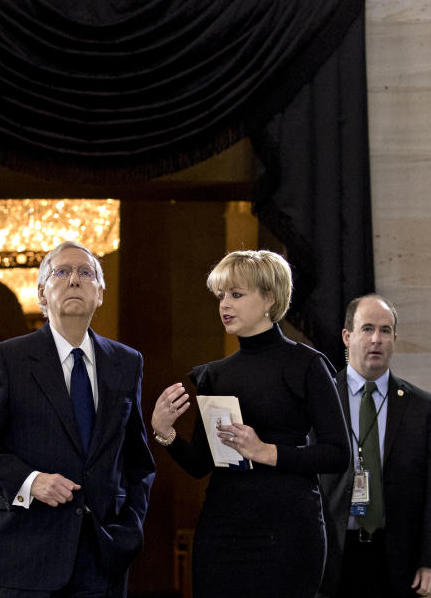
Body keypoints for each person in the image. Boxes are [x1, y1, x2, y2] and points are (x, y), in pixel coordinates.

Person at [0, 241, 155, 598]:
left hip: (103, 559)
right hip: (26, 558)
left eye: (85, 273)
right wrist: (30, 481)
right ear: (42, 295)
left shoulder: (127, 362)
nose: (74, 280)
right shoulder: (7, 359)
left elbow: (137, 461)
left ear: (100, 294)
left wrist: (130, 529)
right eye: (61, 272)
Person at [150, 249, 350, 598]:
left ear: (270, 298)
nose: (225, 304)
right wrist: (165, 433)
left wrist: (265, 451)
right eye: (221, 295)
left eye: (237, 294)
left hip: (288, 531)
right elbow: (200, 464)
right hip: (222, 530)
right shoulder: (214, 375)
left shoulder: (306, 365)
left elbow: (337, 454)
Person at [318, 294, 431, 598]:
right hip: (332, 559)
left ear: (395, 338)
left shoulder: (423, 407)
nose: (377, 339)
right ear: (347, 337)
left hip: (398, 562)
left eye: (385, 331)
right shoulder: (320, 400)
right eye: (367, 329)